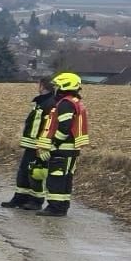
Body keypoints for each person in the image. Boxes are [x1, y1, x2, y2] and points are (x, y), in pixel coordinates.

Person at [0, 74, 57, 210]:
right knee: (24, 172)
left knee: (35, 173)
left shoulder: (50, 103)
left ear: (42, 86)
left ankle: (36, 201)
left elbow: (49, 126)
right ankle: (20, 198)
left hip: (39, 145)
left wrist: (44, 146)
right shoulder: (42, 101)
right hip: (31, 143)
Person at [38, 71, 90, 217]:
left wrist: (54, 145)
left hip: (63, 148)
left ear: (65, 86)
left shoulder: (66, 103)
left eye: (58, 86)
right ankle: (62, 207)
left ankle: (55, 208)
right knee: (66, 178)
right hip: (71, 148)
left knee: (56, 178)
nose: (56, 89)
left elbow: (64, 128)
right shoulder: (74, 102)